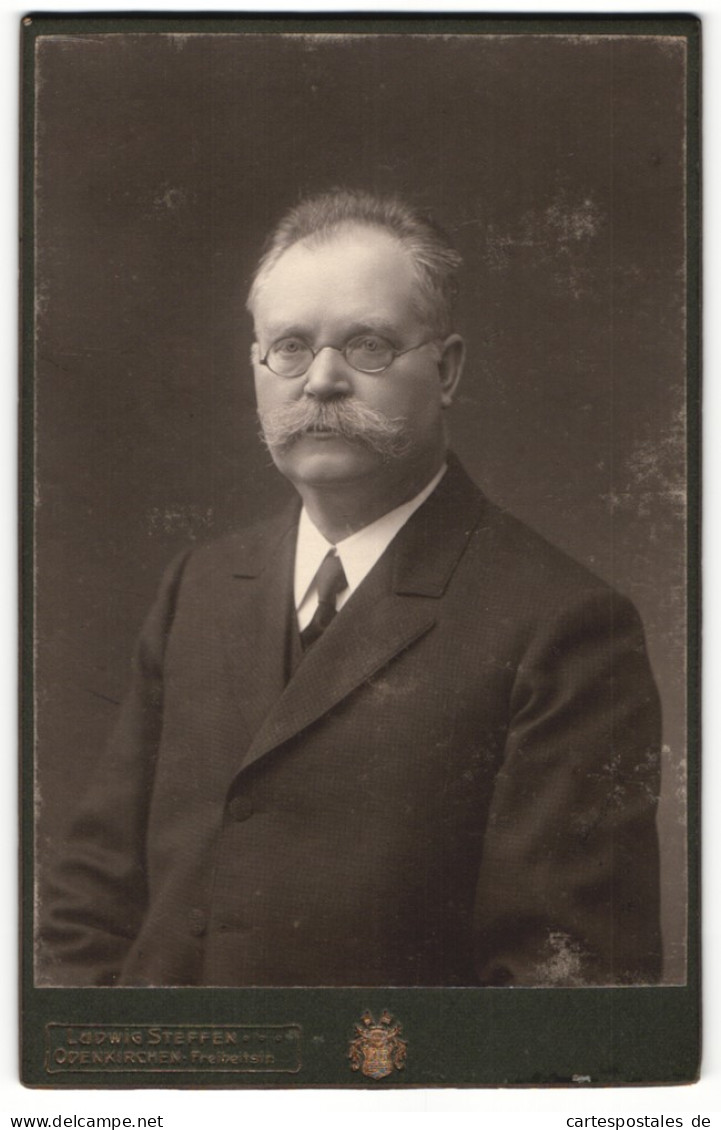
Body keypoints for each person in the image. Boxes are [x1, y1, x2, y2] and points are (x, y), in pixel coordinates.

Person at [42, 189, 662, 988]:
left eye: (368, 345)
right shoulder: (201, 585)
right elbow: (89, 905)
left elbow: (563, 993)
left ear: (446, 370)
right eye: (290, 348)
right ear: (256, 366)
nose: (322, 381)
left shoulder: (564, 625)